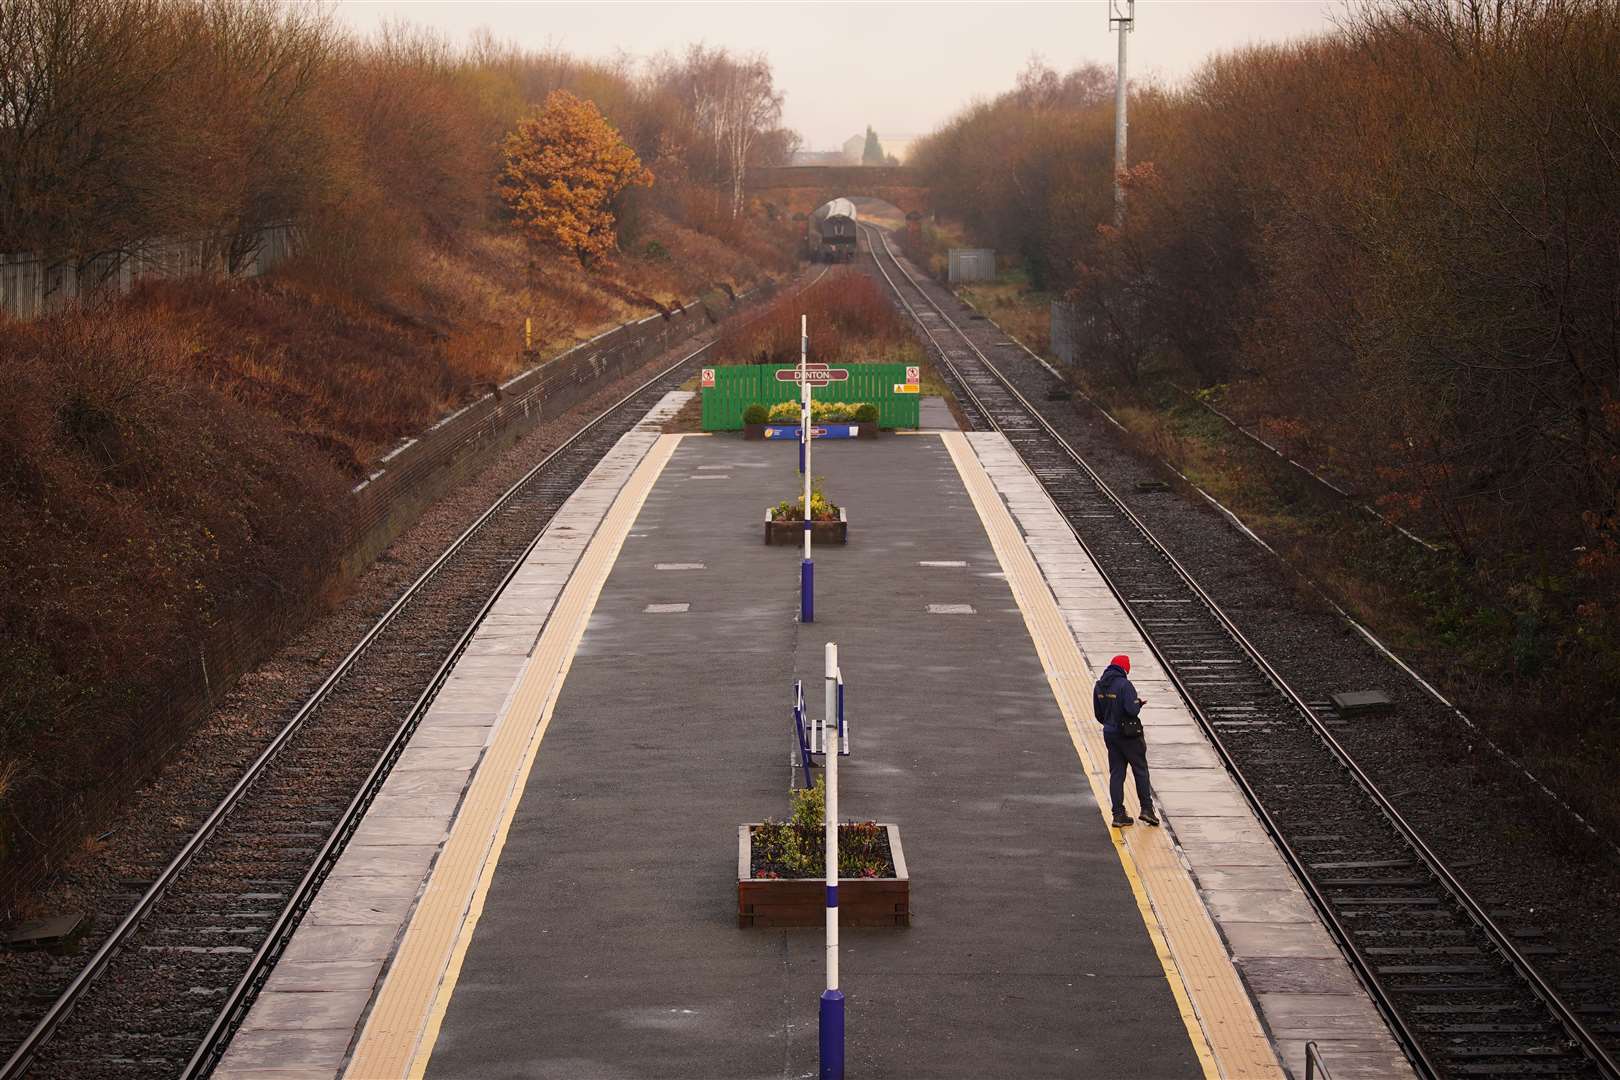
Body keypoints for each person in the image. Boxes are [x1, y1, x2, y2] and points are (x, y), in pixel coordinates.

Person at [1093, 653, 1158, 828]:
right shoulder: (1125, 685)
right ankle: (1146, 810)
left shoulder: (1099, 686)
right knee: (1140, 770)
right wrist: (1138, 703)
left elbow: (1099, 714)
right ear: (1124, 668)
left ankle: (1118, 815)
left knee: (1117, 773)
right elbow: (1131, 710)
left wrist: (1110, 722)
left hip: (1110, 734)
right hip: (1129, 735)